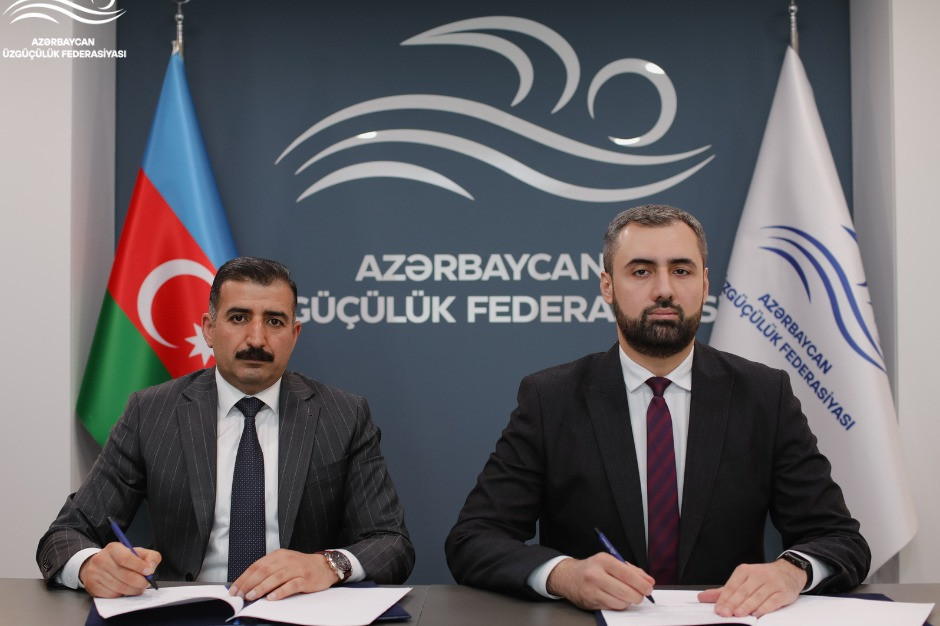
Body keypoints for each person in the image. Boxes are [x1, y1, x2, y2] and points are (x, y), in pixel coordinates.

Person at [445, 205, 869, 618]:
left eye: (681, 271)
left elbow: (839, 538)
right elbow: (473, 538)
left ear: (704, 284)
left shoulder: (763, 395)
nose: (664, 289)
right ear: (607, 286)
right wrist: (563, 575)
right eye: (641, 271)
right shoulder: (551, 398)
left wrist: (791, 571)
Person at [38, 257, 414, 600]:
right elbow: (65, 535)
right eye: (238, 318)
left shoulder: (343, 415)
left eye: (274, 321)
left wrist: (328, 565)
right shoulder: (150, 412)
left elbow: (391, 543)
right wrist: (90, 566)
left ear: (294, 334)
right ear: (209, 328)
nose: (256, 339)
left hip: (297, 611)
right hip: (185, 615)